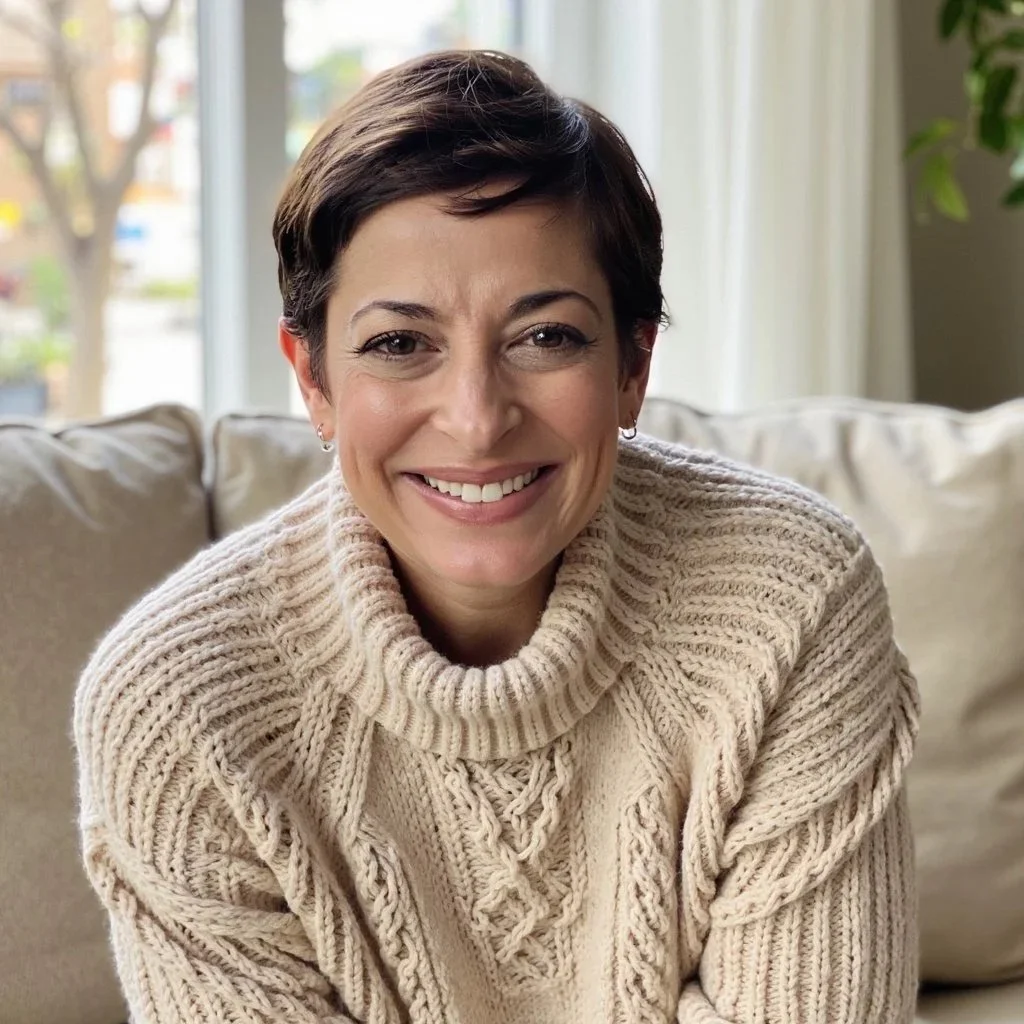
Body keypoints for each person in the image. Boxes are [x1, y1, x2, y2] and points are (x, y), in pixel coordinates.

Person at [74, 49, 920, 1023]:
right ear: (311, 378)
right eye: (400, 343)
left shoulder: (792, 599)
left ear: (634, 364)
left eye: (545, 335)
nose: (476, 418)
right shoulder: (175, 704)